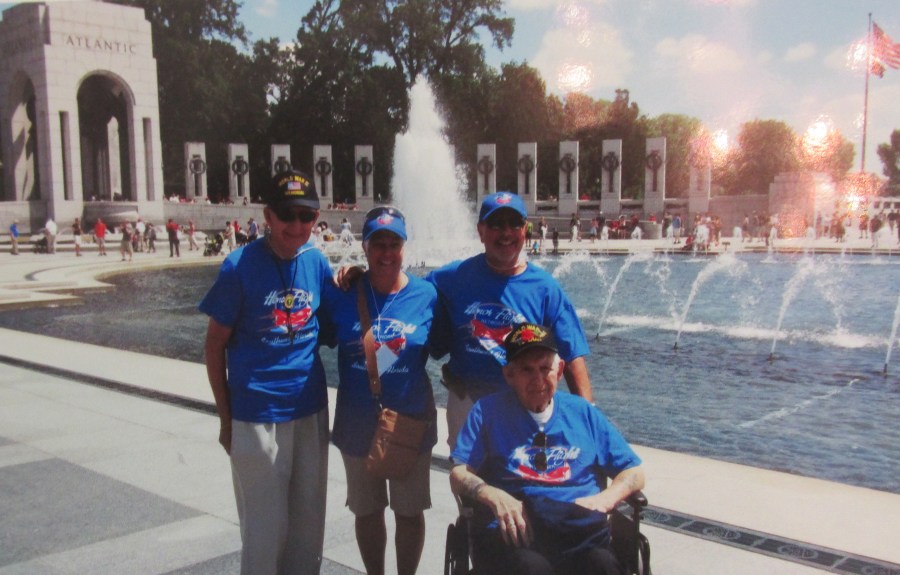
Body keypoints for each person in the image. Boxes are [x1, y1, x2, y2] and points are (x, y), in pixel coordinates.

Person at [199, 169, 332, 575]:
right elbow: (214, 346)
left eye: (306, 216)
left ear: (316, 217)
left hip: (309, 409)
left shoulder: (317, 262)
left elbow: (334, 322)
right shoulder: (239, 266)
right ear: (267, 216)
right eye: (286, 215)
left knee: (308, 526)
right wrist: (226, 419)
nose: (296, 225)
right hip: (256, 413)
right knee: (263, 530)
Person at [450, 323, 645, 575]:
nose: (538, 380)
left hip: (579, 534)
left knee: (603, 566)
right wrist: (493, 495)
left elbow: (635, 471)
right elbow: (459, 473)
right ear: (509, 374)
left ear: (560, 370)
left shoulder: (582, 412)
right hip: (518, 536)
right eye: (526, 370)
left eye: (545, 369)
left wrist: (607, 498)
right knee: (532, 569)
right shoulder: (488, 412)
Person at [319, 207, 438, 575]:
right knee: (367, 510)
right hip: (357, 422)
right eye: (377, 244)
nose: (386, 253)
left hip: (409, 421)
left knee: (409, 511)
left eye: (394, 244)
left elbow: (455, 342)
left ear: (404, 246)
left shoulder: (427, 295)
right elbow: (309, 340)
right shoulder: (342, 293)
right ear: (365, 247)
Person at [427, 192, 593, 451]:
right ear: (481, 231)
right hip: (467, 402)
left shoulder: (545, 288)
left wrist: (588, 420)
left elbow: (572, 357)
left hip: (525, 404)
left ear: (525, 229)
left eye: (514, 223)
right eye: (496, 224)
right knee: (467, 483)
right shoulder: (453, 277)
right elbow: (403, 292)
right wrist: (355, 278)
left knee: (523, 484)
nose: (506, 232)